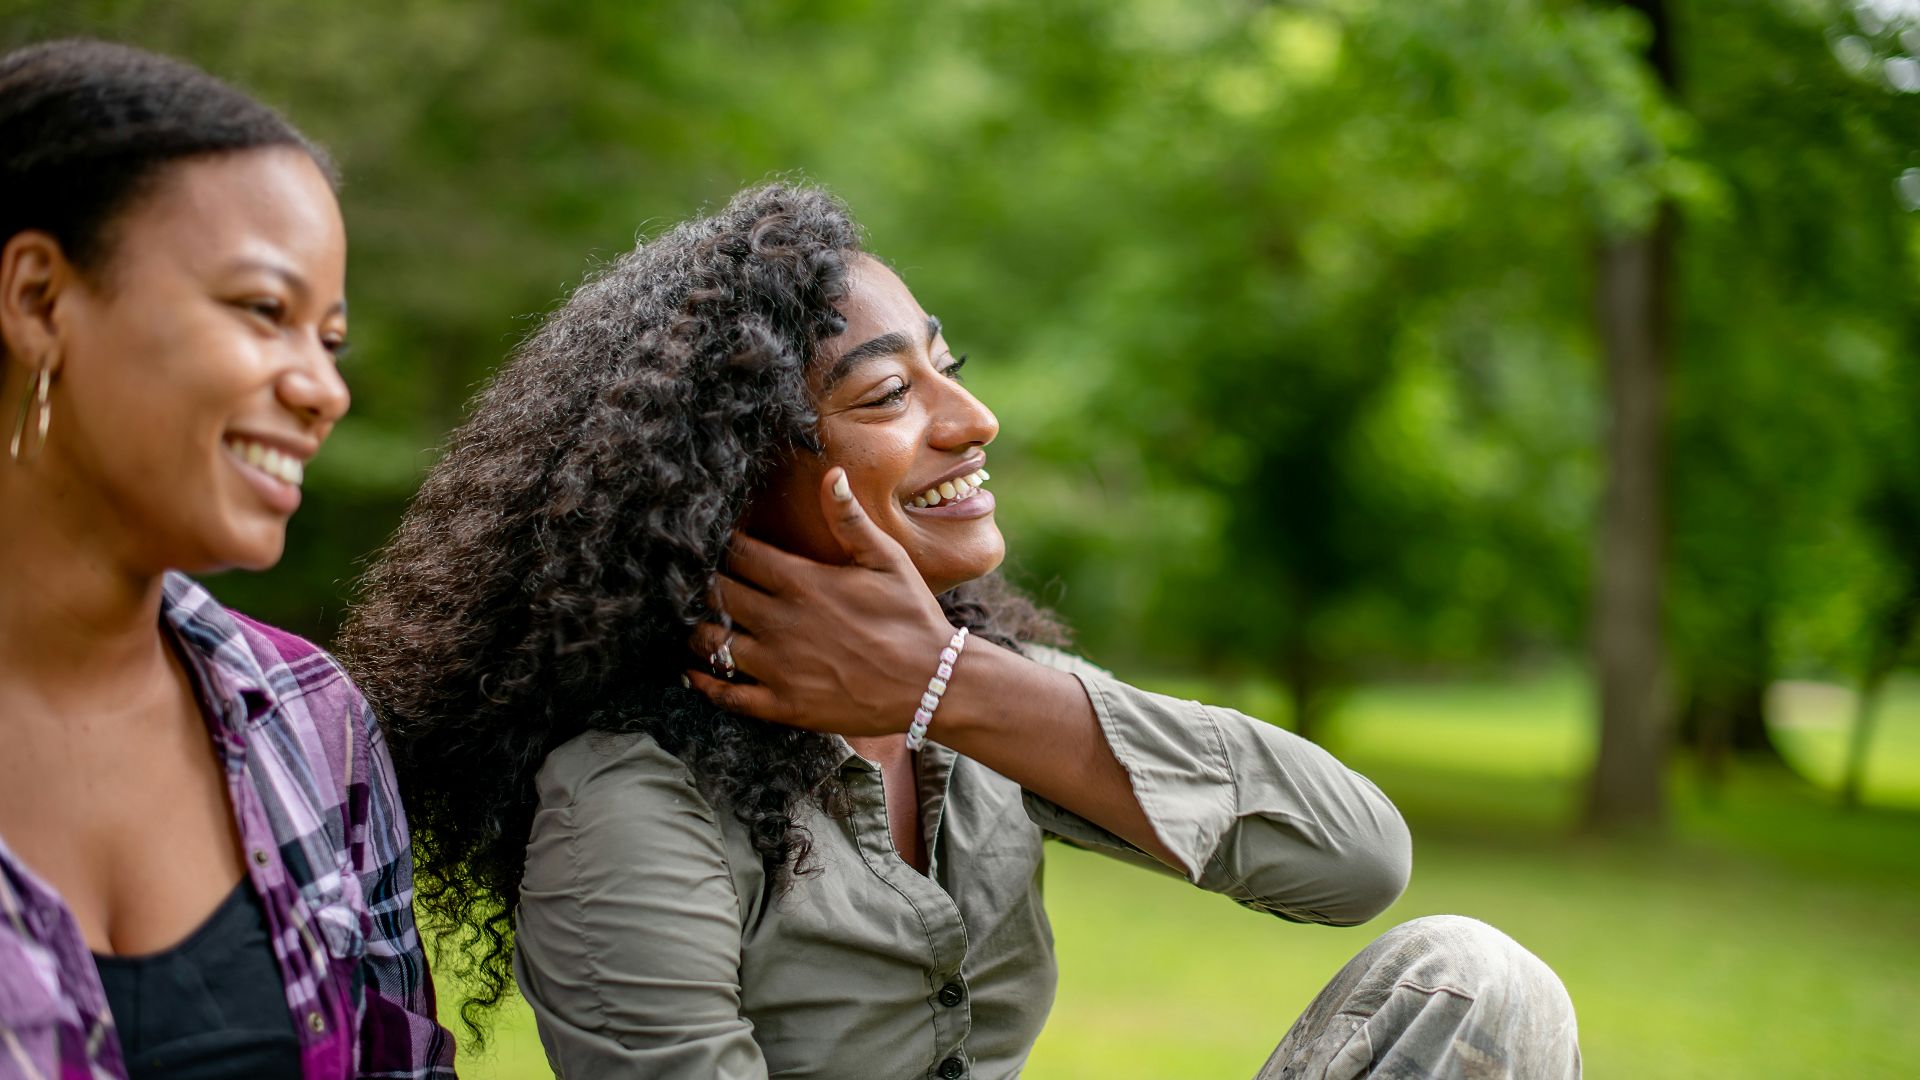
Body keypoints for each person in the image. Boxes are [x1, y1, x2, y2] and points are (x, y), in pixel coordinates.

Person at [343, 184, 1579, 1079]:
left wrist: (944, 683)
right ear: (722, 478)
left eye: (950, 367)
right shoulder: (629, 798)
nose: (974, 419)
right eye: (888, 394)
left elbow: (1354, 863)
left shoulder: (972, 697)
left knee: (1472, 984)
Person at [0, 40, 455, 1079]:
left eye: (329, 340)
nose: (323, 389)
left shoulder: (314, 719)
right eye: (265, 311)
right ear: (38, 299)